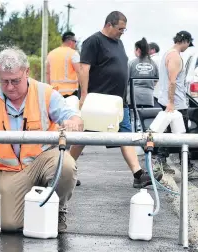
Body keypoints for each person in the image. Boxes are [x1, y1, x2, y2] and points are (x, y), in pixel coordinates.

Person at [0, 47, 83, 233]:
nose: (10, 87)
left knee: (66, 166)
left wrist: (73, 122)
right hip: (11, 170)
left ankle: (57, 208)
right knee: (9, 225)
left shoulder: (45, 93)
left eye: (15, 81)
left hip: (42, 161)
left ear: (27, 72)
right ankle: (33, 205)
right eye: (4, 81)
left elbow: (72, 116)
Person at [69, 11, 163, 188]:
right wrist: (84, 95)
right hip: (98, 101)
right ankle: (62, 172)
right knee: (81, 137)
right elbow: (83, 69)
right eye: (120, 28)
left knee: (126, 136)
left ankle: (138, 175)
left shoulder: (118, 43)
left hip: (118, 102)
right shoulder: (94, 41)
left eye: (124, 29)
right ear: (109, 24)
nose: (122, 32)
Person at [154, 31, 198, 178]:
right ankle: (186, 166)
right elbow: (172, 81)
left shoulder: (167, 53)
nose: (187, 47)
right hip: (175, 102)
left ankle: (162, 163)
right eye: (188, 44)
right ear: (184, 40)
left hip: (168, 100)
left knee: (167, 133)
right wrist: (171, 103)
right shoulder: (175, 56)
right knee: (181, 134)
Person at [46, 31, 82, 186]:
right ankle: (66, 171)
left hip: (54, 96)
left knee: (56, 134)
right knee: (70, 134)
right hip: (70, 97)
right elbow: (81, 73)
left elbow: (47, 75)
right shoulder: (73, 54)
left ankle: (56, 170)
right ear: (72, 41)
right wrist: (84, 93)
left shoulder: (51, 54)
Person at [46, 31, 80, 97]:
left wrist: (50, 89)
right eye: (75, 41)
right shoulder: (73, 54)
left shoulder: (51, 54)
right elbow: (79, 72)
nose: (75, 44)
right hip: (71, 93)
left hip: (54, 93)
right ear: (71, 42)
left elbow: (47, 73)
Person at [128, 37, 159, 108]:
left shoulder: (131, 63)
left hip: (133, 97)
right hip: (148, 98)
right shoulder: (153, 63)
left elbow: (126, 79)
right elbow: (156, 80)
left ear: (138, 49)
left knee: (133, 118)